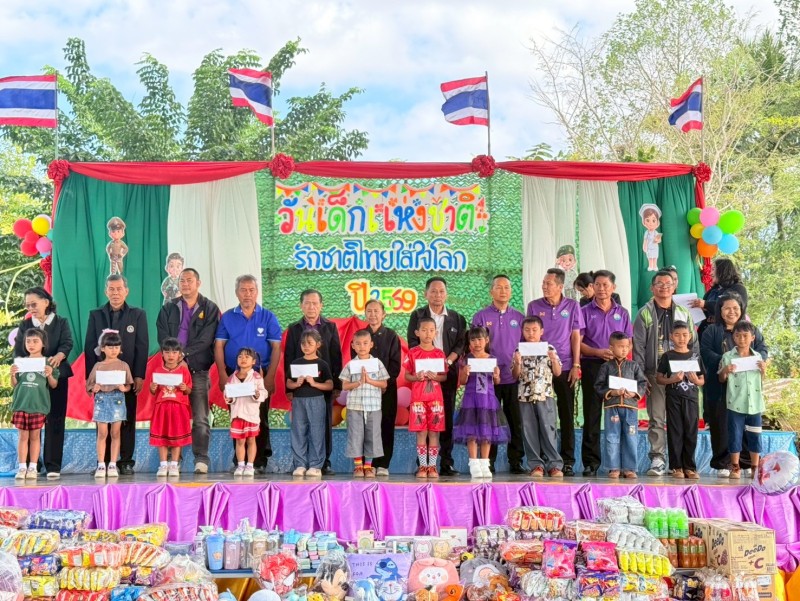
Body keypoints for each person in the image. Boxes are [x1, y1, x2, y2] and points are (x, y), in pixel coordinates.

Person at [156, 268, 220, 474]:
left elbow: (206, 339)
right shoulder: (169, 308)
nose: (185, 284)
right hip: (172, 372)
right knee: (173, 415)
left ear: (198, 283)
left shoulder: (209, 308)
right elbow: (163, 336)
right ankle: (173, 461)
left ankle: (201, 458)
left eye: (189, 280)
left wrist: (184, 356)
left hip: (198, 369)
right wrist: (175, 360)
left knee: (200, 417)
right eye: (182, 281)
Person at [215, 275, 282, 473]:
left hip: (260, 375)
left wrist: (270, 377)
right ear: (237, 293)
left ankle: (259, 461)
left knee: (260, 418)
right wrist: (222, 374)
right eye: (243, 290)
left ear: (257, 292)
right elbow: (218, 346)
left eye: (251, 290)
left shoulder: (268, 317)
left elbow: (276, 348)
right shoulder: (228, 317)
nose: (247, 294)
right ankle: (240, 462)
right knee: (237, 416)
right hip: (234, 376)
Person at [632, 270, 695, 477]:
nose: (664, 287)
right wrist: (641, 376)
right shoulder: (645, 313)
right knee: (657, 417)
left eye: (668, 283)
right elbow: (638, 347)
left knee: (681, 419)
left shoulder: (684, 313)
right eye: (659, 283)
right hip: (655, 372)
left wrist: (693, 369)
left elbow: (694, 344)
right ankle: (657, 458)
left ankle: (680, 463)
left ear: (674, 287)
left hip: (682, 373)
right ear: (652, 288)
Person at [84, 274, 148, 475]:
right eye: (111, 289)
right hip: (102, 381)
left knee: (126, 419)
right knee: (103, 422)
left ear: (126, 291)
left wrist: (139, 375)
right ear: (106, 291)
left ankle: (126, 461)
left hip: (126, 379)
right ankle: (102, 462)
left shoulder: (138, 315)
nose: (115, 293)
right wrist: (90, 380)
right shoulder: (96, 315)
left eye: (119, 289)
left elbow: (142, 346)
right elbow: (89, 347)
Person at [700, 292, 767, 476]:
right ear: (719, 310)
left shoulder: (751, 329)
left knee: (748, 427)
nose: (732, 312)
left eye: (735, 308)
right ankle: (724, 463)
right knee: (721, 425)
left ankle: (747, 464)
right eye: (727, 308)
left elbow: (762, 349)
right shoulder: (711, 330)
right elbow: (704, 351)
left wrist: (757, 362)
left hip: (748, 388)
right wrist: (726, 362)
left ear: (741, 309)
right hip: (719, 385)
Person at [526, 268, 583, 476]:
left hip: (565, 366)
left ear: (560, 286)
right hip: (539, 370)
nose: (544, 286)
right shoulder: (534, 306)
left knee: (566, 414)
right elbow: (530, 335)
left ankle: (567, 460)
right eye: (543, 283)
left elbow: (575, 336)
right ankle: (541, 461)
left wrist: (576, 365)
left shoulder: (572, 306)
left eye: (548, 283)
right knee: (540, 415)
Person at [407, 277, 467, 476]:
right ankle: (422, 464)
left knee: (444, 419)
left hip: (445, 373)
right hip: (422, 377)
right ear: (426, 294)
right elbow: (412, 342)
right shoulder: (417, 315)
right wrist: (424, 366)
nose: (437, 295)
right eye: (433, 291)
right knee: (422, 423)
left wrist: (447, 362)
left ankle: (446, 462)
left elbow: (460, 344)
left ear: (446, 294)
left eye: (441, 291)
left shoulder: (457, 318)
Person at [13, 287, 73, 479]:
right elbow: (18, 350)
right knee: (30, 423)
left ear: (46, 302)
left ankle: (53, 465)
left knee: (55, 419)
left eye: (34, 304)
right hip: (31, 381)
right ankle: (32, 465)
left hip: (56, 376)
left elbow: (67, 343)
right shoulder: (25, 325)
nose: (30, 308)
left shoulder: (61, 322)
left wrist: (60, 356)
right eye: (27, 305)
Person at [579, 270, 632, 477]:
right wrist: (597, 352)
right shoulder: (584, 311)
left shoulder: (623, 312)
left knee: (618, 415)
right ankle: (591, 463)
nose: (601, 289)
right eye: (598, 285)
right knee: (592, 414)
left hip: (618, 367)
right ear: (592, 287)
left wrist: (623, 360)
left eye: (605, 285)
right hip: (593, 365)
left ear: (613, 288)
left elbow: (629, 342)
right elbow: (578, 343)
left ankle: (619, 464)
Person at [283, 289, 342, 476]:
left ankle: (323, 463)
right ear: (301, 306)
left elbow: (336, 356)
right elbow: (288, 357)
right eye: (307, 303)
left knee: (322, 425)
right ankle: (300, 463)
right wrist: (288, 387)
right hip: (299, 388)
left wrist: (337, 385)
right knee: (300, 427)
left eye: (315, 303)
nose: (311, 307)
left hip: (323, 387)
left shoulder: (330, 327)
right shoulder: (294, 328)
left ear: (321, 306)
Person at [472, 275, 526, 474]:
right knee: (489, 421)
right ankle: (489, 462)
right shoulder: (480, 316)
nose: (503, 291)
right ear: (491, 291)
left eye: (507, 287)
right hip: (488, 379)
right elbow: (475, 346)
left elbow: (524, 347)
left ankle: (516, 461)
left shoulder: (519, 317)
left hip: (513, 377)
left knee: (515, 420)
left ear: (511, 291)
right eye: (499, 287)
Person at [454, 326, 510, 480]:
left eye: (480, 339)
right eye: (473, 340)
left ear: (486, 340)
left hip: (487, 400)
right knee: (471, 432)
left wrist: (497, 376)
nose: (477, 343)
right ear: (469, 342)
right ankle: (473, 463)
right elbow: (462, 381)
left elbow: (496, 382)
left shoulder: (492, 359)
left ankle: (485, 463)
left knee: (486, 433)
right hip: (471, 400)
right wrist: (465, 372)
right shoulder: (466, 359)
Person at [511, 317, 563, 478]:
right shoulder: (519, 350)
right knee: (529, 431)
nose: (531, 333)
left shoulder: (549, 348)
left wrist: (553, 359)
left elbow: (558, 372)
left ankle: (554, 465)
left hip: (545, 395)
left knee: (549, 429)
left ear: (541, 331)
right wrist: (517, 362)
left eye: (534, 330)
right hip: (525, 396)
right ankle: (536, 465)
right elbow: (515, 375)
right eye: (527, 330)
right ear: (522, 331)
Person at [656, 321, 705, 479]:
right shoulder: (667, 356)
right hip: (673, 398)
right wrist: (672, 380)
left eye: (684, 335)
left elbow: (702, 379)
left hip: (691, 398)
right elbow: (659, 378)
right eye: (677, 335)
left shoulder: (695, 356)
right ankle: (676, 467)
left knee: (691, 431)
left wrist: (696, 381)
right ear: (671, 337)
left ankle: (690, 467)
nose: (681, 338)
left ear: (690, 336)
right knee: (675, 431)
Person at [719, 320, 767, 479]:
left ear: (753, 337)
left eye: (745, 336)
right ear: (733, 337)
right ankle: (735, 467)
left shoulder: (758, 356)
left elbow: (761, 379)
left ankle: (755, 468)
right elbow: (721, 379)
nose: (742, 339)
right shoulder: (727, 356)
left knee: (755, 435)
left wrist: (764, 370)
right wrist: (725, 371)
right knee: (735, 435)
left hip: (755, 403)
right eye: (738, 335)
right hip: (735, 402)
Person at [595, 332, 647, 479]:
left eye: (626, 346)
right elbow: (598, 386)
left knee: (631, 436)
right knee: (612, 436)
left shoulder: (634, 366)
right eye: (620, 346)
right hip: (612, 407)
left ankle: (629, 468)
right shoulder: (606, 367)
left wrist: (635, 393)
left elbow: (643, 383)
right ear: (611, 348)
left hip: (630, 408)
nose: (624, 349)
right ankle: (614, 468)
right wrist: (612, 392)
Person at [358, 300, 402, 476]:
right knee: (366, 426)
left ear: (383, 314)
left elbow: (395, 364)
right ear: (365, 314)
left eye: (376, 311)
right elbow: (355, 363)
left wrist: (383, 384)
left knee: (386, 425)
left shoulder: (391, 336)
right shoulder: (360, 335)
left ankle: (383, 464)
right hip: (365, 389)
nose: (373, 314)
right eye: (369, 311)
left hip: (386, 389)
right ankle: (367, 464)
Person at [10, 328, 59, 480]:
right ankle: (22, 467)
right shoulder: (20, 362)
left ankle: (32, 467)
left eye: (35, 341)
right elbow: (15, 384)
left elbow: (54, 384)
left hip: (38, 405)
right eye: (28, 341)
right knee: (22, 436)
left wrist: (49, 374)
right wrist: (12, 374)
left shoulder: (48, 362)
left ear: (43, 344)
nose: (31, 344)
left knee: (35, 436)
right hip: (21, 404)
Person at [341, 329, 390, 478]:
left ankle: (368, 466)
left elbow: (384, 384)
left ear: (371, 344)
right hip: (355, 406)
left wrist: (369, 381)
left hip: (373, 406)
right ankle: (358, 466)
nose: (362, 346)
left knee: (373, 435)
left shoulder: (377, 363)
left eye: (365, 343)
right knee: (355, 435)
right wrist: (358, 383)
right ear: (353, 345)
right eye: (358, 343)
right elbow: (344, 386)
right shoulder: (351, 364)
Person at [85, 331, 133, 480]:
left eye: (116, 347)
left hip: (117, 400)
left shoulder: (123, 365)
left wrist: (124, 388)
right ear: (103, 349)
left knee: (116, 433)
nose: (113, 350)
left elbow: (129, 385)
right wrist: (94, 388)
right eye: (110, 347)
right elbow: (89, 385)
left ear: (120, 349)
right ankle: (101, 464)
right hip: (101, 400)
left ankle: (112, 464)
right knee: (102, 433)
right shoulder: (98, 366)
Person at [404, 317, 447, 478]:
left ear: (436, 332)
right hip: (418, 399)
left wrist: (436, 376)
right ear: (417, 333)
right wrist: (416, 377)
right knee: (421, 432)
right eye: (424, 330)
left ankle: (432, 467)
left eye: (431, 330)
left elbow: (444, 376)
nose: (428, 334)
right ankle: (422, 466)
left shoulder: (439, 353)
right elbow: (407, 376)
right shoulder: (413, 352)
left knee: (434, 432)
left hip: (436, 399)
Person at [287, 329, 333, 478]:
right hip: (299, 400)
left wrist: (314, 384)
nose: (306, 346)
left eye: (309, 343)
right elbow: (288, 382)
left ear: (318, 344)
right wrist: (296, 384)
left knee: (317, 431)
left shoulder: (322, 364)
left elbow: (330, 385)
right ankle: (300, 464)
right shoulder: (296, 363)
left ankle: (315, 465)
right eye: (303, 343)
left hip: (317, 400)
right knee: (298, 431)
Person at [149, 338, 193, 479]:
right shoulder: (157, 371)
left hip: (178, 408)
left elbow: (189, 390)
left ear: (180, 354)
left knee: (177, 436)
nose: (171, 355)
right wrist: (152, 387)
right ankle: (163, 464)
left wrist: (185, 388)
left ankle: (174, 464)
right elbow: (153, 391)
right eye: (167, 352)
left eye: (174, 352)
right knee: (161, 437)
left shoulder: (184, 371)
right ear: (162, 354)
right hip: (162, 408)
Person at [224, 347, 268, 477]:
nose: (243, 359)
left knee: (251, 440)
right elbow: (227, 393)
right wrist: (229, 398)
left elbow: (264, 393)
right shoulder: (232, 377)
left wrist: (257, 394)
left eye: (247, 357)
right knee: (240, 441)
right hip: (237, 414)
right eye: (240, 357)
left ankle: (250, 465)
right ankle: (240, 465)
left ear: (253, 361)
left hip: (251, 414)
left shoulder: (256, 377)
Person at [692, 258, 748, 336]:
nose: (710, 273)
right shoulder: (713, 290)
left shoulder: (738, 288)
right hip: (707, 332)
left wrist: (706, 304)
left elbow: (726, 306)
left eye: (713, 269)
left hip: (729, 334)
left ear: (722, 271)